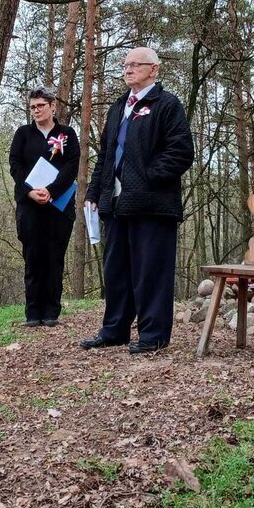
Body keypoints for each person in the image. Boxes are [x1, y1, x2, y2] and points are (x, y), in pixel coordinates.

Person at [81, 47, 193, 354]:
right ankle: (114, 330)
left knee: (151, 272)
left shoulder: (167, 105)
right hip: (116, 205)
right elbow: (105, 155)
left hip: (152, 205)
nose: (128, 69)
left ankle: (153, 335)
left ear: (153, 69)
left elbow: (181, 152)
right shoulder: (119, 106)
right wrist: (94, 192)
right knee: (116, 270)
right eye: (125, 64)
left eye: (135, 65)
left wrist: (147, 178)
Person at [8, 87, 81, 327]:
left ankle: (51, 311)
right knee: (33, 257)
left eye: (40, 105)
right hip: (29, 205)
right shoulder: (23, 134)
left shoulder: (67, 134)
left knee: (54, 257)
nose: (36, 110)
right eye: (32, 107)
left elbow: (71, 165)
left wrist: (52, 191)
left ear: (52, 106)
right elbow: (15, 165)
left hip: (58, 205)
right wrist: (29, 190)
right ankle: (33, 312)